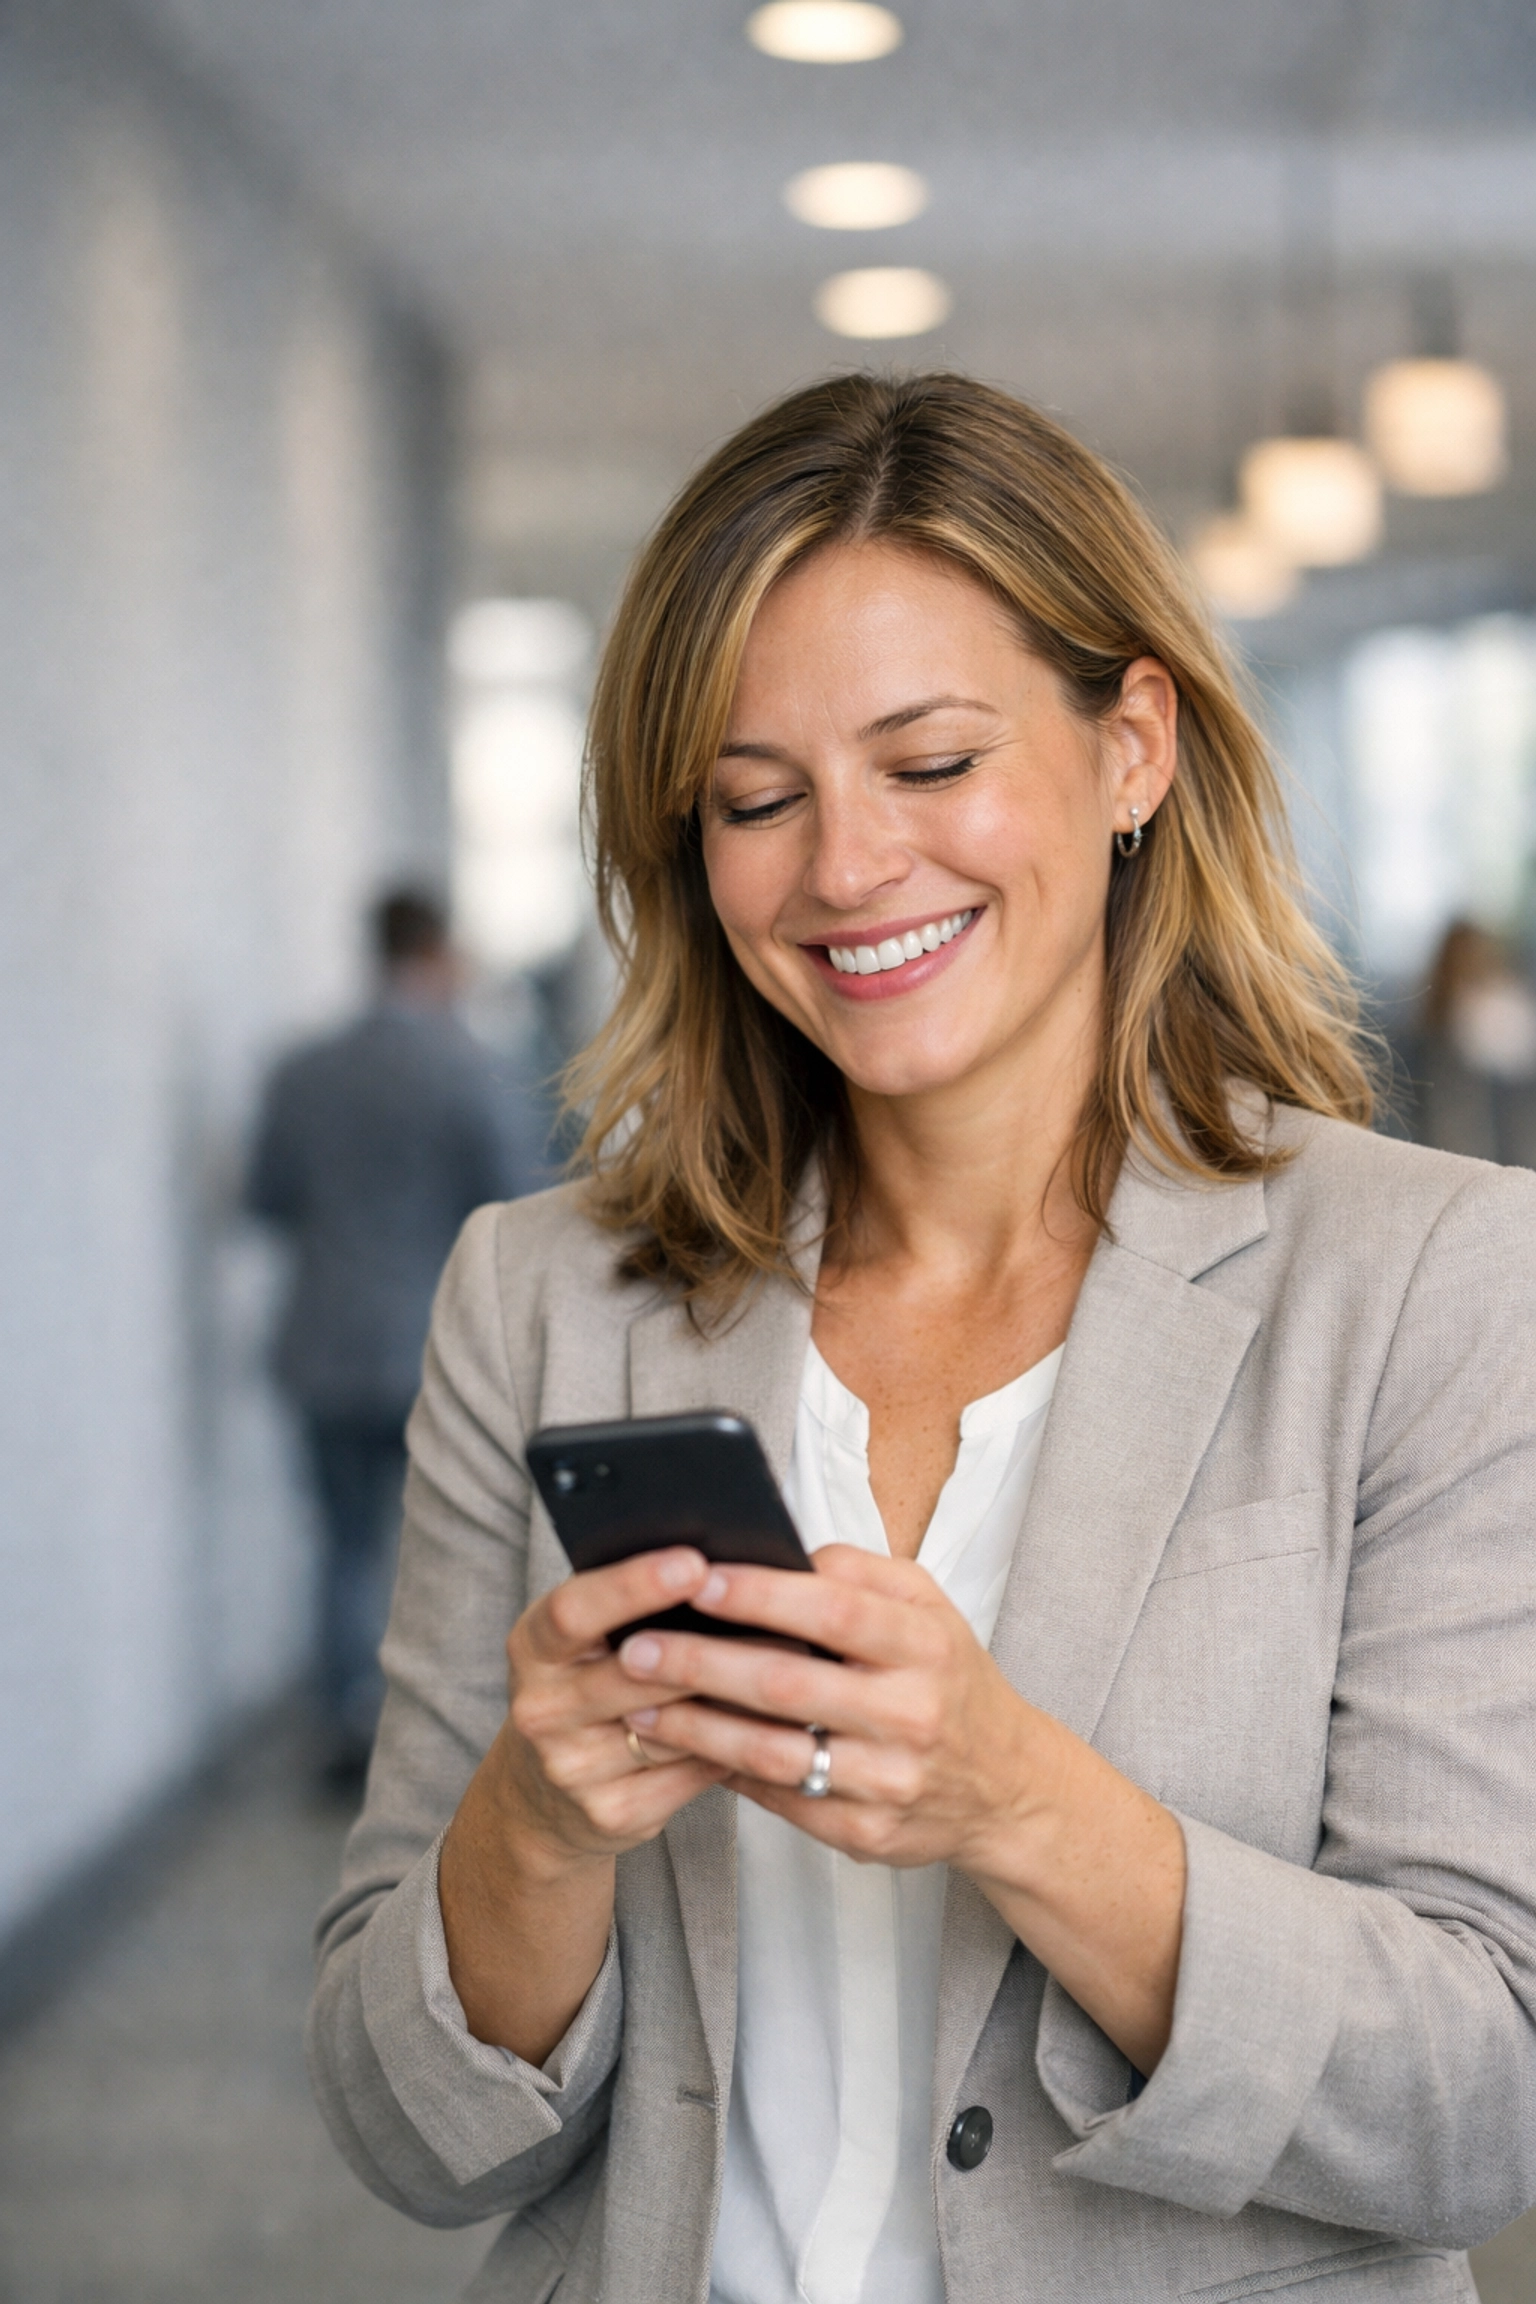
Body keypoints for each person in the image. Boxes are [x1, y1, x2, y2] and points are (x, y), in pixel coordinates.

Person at [306, 378, 1536, 2301]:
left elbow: (1486, 2095)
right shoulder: (540, 1297)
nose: (847, 867)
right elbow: (403, 2128)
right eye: (757, 796)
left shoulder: (1436, 1282)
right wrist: (533, 1825)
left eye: (929, 760)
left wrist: (1016, 1797)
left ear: (1131, 745)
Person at [248, 888, 533, 1782]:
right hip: (434, 1344)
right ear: (442, 951)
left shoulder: (303, 1069)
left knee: (341, 1542)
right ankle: (431, 1743)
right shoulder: (471, 1068)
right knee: (445, 1549)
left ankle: (342, 1726)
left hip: (324, 1339)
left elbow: (266, 1198)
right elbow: (518, 1205)